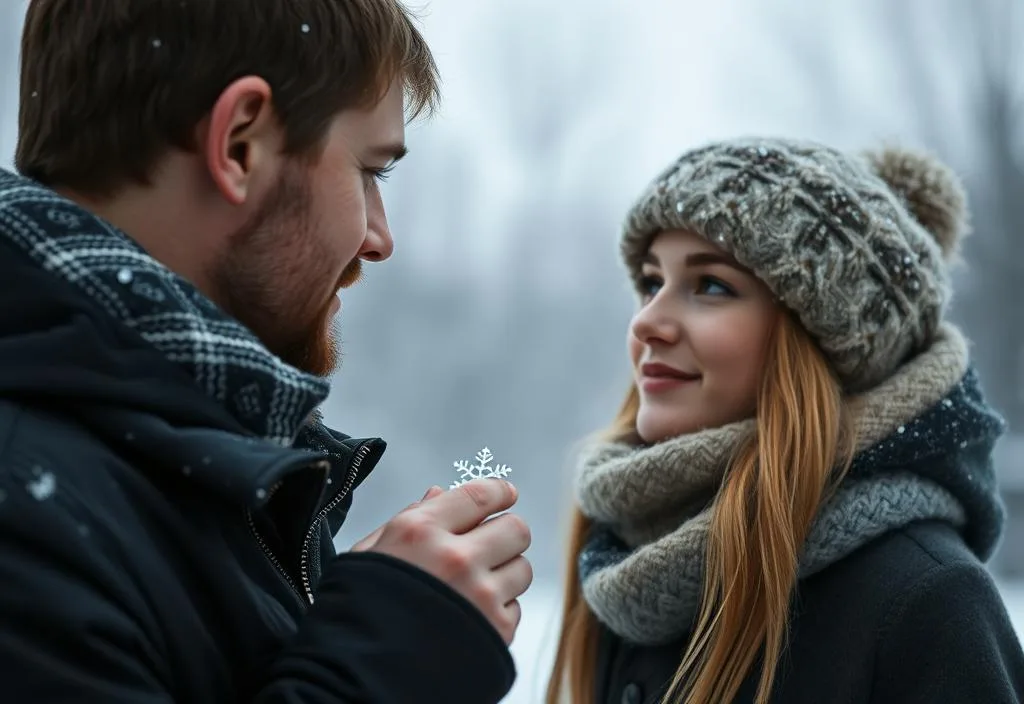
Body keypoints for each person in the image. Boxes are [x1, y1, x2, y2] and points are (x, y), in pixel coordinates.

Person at [0, 1, 532, 702]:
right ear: (239, 144)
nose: (380, 237)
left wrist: (352, 617)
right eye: (370, 172)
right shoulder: (27, 513)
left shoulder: (181, 474)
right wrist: (394, 652)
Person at [545, 138, 1024, 703]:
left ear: (824, 341)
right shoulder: (627, 565)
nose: (648, 321)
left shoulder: (925, 601)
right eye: (652, 282)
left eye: (712, 286)